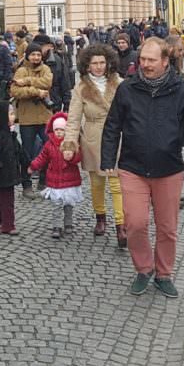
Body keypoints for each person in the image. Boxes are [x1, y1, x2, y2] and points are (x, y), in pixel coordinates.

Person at [100, 37, 184, 298]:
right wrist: (107, 160)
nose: (146, 65)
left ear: (164, 61)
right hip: (132, 167)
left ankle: (163, 274)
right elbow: (112, 126)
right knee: (135, 223)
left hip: (169, 169)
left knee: (167, 227)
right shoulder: (127, 89)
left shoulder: (183, 90)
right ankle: (143, 268)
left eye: (151, 60)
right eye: (143, 60)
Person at [62, 44, 126, 246]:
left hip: (117, 136)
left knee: (117, 184)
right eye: (94, 63)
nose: (98, 67)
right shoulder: (80, 89)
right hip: (92, 137)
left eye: (102, 62)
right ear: (87, 66)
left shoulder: (120, 84)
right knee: (97, 182)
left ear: (108, 63)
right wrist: (69, 143)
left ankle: (121, 226)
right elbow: (73, 118)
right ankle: (100, 216)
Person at [10, 43, 54, 199]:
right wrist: (35, 91)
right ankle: (26, 184)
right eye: (33, 54)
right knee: (27, 153)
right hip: (27, 118)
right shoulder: (20, 70)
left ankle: (44, 179)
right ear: (28, 55)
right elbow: (15, 90)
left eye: (38, 55)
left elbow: (47, 83)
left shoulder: (46, 69)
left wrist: (27, 81)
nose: (36, 57)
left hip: (44, 117)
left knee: (50, 149)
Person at [30, 113, 82, 239]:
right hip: (55, 180)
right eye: (56, 130)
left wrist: (72, 157)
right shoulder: (49, 144)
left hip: (70, 180)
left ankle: (68, 223)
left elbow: (79, 158)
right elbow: (42, 157)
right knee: (56, 205)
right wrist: (33, 166)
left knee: (68, 204)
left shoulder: (71, 143)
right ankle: (56, 226)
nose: (59, 132)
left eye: (62, 130)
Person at [0, 101, 25, 236]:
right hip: (2, 172)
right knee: (7, 199)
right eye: (11, 114)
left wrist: (27, 162)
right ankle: (8, 225)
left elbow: (18, 150)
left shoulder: (9, 132)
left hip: (6, 171)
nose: (14, 116)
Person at [34, 34, 71, 112]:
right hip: (34, 107)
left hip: (54, 104)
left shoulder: (57, 60)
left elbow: (65, 83)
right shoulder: (29, 61)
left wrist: (67, 105)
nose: (38, 49)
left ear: (49, 46)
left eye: (41, 46)